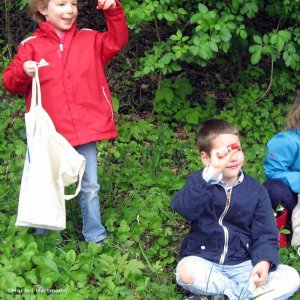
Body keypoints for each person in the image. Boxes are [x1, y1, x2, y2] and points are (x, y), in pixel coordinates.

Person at [2, 0, 128, 245]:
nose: (70, 10)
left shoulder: (90, 39)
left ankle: (94, 234)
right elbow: (11, 84)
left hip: (85, 129)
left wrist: (113, 10)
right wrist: (23, 72)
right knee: (48, 185)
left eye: (73, 3)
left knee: (90, 186)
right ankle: (48, 237)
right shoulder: (31, 46)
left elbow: (117, 39)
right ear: (43, 9)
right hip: (50, 134)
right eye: (61, 4)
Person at [170, 119, 299, 299]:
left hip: (244, 265)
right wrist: (210, 174)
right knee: (186, 271)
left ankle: (225, 294)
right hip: (205, 260)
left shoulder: (256, 190)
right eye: (222, 154)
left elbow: (265, 233)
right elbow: (183, 208)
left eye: (237, 149)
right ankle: (243, 295)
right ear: (206, 158)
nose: (233, 157)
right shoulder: (200, 183)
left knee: (291, 277)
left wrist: (264, 261)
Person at [264, 94, 300, 248]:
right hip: (293, 199)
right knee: (273, 189)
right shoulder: (287, 141)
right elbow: (273, 172)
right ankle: (282, 229)